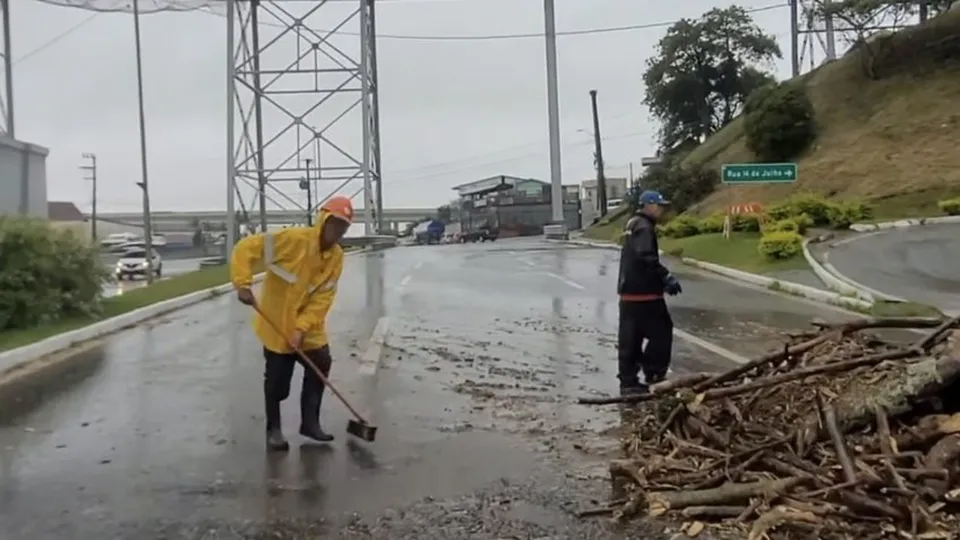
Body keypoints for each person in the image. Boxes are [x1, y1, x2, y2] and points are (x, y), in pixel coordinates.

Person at [230, 196, 354, 451]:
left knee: (321, 362)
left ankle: (310, 423)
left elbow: (323, 297)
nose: (338, 231)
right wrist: (242, 284)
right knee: (277, 382)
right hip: (277, 322)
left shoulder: (336, 257)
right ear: (323, 220)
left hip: (307, 328)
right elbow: (245, 248)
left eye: (344, 227)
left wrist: (301, 328)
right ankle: (273, 430)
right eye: (336, 224)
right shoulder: (293, 241)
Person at [616, 190, 682, 395]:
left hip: (628, 292)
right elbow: (646, 256)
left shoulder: (632, 223)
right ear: (649, 206)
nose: (661, 210)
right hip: (645, 293)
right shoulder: (644, 227)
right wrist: (666, 277)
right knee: (662, 332)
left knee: (630, 337)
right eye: (659, 206)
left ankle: (628, 381)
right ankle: (654, 373)